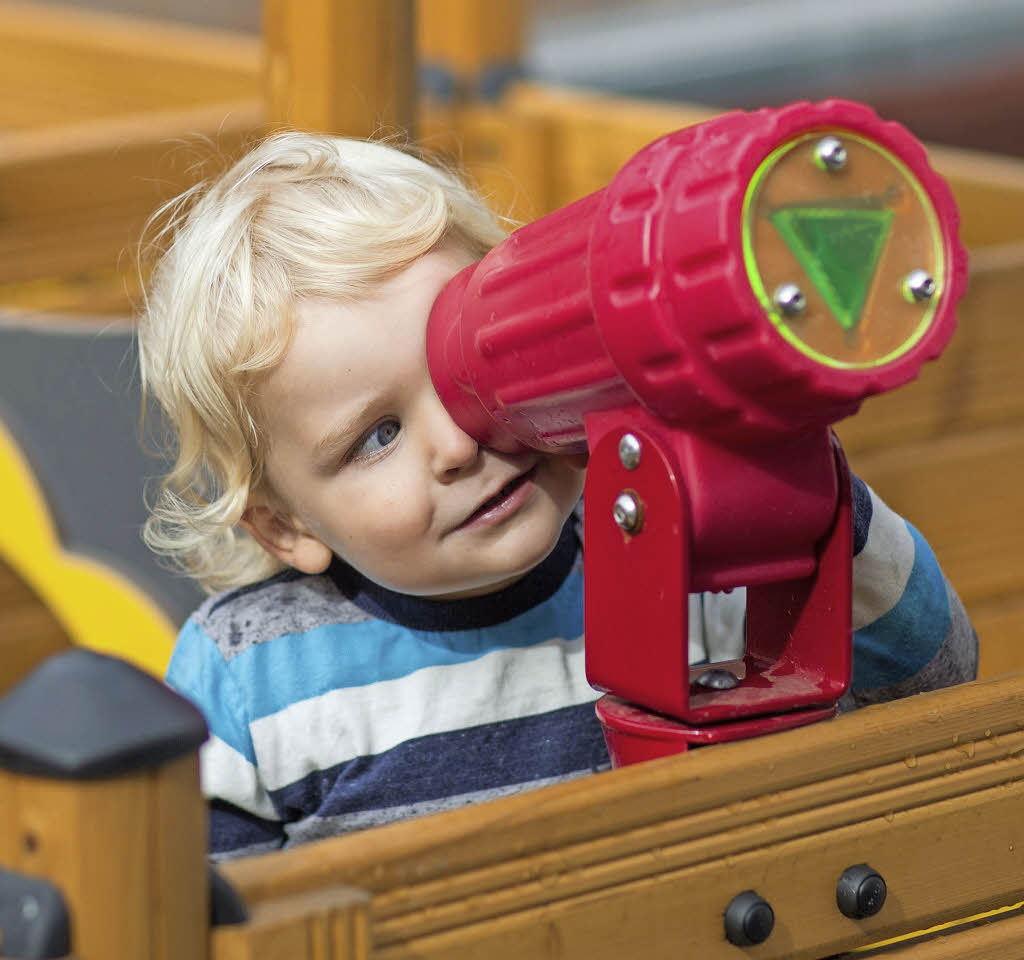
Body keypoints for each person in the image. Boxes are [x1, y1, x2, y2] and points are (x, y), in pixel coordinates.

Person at [137, 131, 977, 862]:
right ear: (286, 527)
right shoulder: (252, 674)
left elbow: (936, 676)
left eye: (468, 376)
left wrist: (801, 488)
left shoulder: (681, 556)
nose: (460, 442)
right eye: (378, 436)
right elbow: (194, 918)